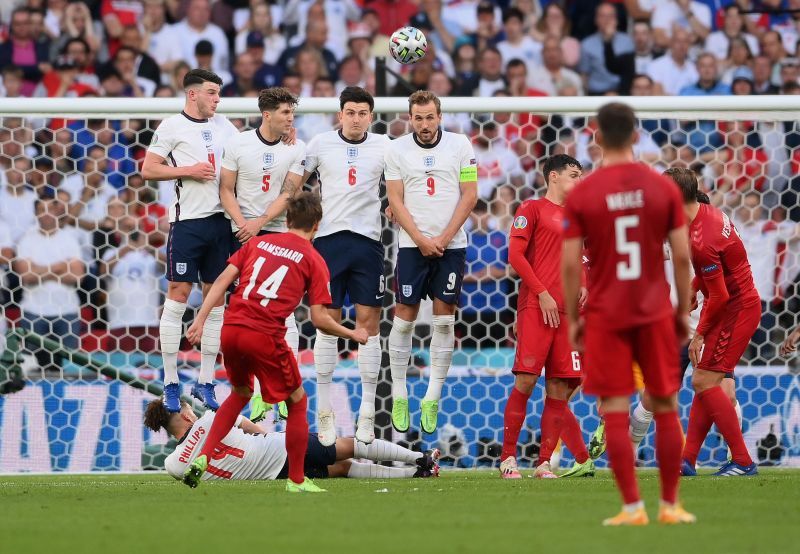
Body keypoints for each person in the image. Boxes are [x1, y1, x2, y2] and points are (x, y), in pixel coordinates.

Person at [180, 193, 369, 493]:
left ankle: (203, 457)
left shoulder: (255, 244)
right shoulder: (314, 259)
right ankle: (296, 480)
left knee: (240, 393)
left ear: (288, 220)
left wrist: (201, 319)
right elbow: (320, 320)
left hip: (231, 329)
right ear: (317, 225)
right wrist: (352, 334)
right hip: (265, 335)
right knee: (297, 401)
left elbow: (221, 280)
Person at [561, 102, 694, 526]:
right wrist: (681, 310)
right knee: (666, 405)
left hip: (606, 314)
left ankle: (632, 508)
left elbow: (568, 264)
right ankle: (671, 505)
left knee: (615, 410)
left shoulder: (583, 193)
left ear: (596, 137)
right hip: (653, 309)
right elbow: (683, 257)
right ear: (636, 136)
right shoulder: (663, 189)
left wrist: (574, 318)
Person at [141, 68, 238, 413]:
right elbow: (148, 169)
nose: (217, 99)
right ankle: (170, 382)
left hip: (221, 224)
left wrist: (284, 136)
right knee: (179, 295)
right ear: (192, 94)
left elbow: (249, 154)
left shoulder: (225, 126)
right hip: (187, 224)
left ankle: (206, 381)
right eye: (211, 92)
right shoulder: (171, 127)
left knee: (216, 301)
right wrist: (188, 170)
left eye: (218, 93)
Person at [300, 87, 390, 446]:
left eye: (362, 112)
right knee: (327, 326)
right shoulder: (319, 144)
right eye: (350, 112)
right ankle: (324, 412)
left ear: (371, 116)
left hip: (368, 244)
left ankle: (366, 414)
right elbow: (296, 184)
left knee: (370, 326)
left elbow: (401, 185)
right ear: (340, 114)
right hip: (328, 244)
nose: (356, 118)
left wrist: (394, 206)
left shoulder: (386, 146)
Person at [386, 90, 478, 435]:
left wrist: (442, 238)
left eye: (430, 117)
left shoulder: (460, 145)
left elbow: (470, 195)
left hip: (451, 246)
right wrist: (422, 239)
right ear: (410, 118)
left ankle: (432, 396)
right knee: (404, 319)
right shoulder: (396, 150)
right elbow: (394, 198)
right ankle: (399, 391)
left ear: (439, 116)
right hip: (412, 245)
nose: (424, 124)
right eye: (418, 118)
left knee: (443, 321)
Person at [500, 155, 593, 480]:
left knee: (559, 387)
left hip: (569, 313)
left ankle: (543, 463)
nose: (579, 181)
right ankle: (508, 459)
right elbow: (515, 255)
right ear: (553, 176)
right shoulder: (532, 209)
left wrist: (584, 284)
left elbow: (582, 257)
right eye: (573, 175)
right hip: (538, 307)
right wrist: (541, 293)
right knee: (526, 379)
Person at [219, 86, 306, 423]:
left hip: (278, 233)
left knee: (284, 313)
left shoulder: (296, 147)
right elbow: (226, 188)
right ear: (267, 114)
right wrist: (244, 223)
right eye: (285, 113)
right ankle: (257, 393)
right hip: (243, 234)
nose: (290, 119)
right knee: (247, 313)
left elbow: (289, 192)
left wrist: (260, 222)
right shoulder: (239, 144)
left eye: (292, 113)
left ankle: (284, 390)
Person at [667, 168, 761, 478]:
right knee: (704, 382)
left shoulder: (700, 239)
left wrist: (699, 335)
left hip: (736, 310)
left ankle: (744, 461)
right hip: (736, 305)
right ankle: (687, 460)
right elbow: (715, 277)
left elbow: (719, 296)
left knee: (703, 381)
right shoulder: (706, 213)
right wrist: (695, 288)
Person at [145, 399, 440, 481]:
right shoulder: (211, 418)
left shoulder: (173, 465)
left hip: (272, 477)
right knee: (346, 446)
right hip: (279, 448)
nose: (191, 412)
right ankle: (420, 459)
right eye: (187, 409)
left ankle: (413, 474)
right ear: (184, 416)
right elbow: (252, 428)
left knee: (340, 469)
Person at [13, 196, 85, 372]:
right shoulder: (26, 240)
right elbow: (26, 276)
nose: (46, 213)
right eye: (41, 209)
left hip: (67, 311)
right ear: (36, 213)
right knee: (31, 367)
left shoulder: (69, 238)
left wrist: (40, 270)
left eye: (50, 209)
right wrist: (61, 266)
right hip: (33, 311)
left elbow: (77, 276)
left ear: (57, 212)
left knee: (69, 368)